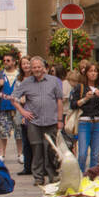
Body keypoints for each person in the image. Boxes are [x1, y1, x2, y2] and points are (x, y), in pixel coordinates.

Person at [16, 57, 65, 186]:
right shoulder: (26, 83)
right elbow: (13, 98)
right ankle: (38, 177)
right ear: (31, 69)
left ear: (44, 68)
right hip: (34, 123)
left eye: (39, 67)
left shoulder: (54, 81)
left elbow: (59, 100)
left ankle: (53, 176)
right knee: (36, 150)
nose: (37, 69)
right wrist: (23, 112)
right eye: (34, 67)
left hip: (51, 121)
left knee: (51, 150)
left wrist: (60, 119)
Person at [71, 63, 99, 170]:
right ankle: (80, 178)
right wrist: (85, 99)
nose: (93, 73)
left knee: (95, 155)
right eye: (90, 71)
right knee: (82, 154)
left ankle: (92, 180)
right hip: (84, 122)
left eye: (95, 71)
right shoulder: (80, 87)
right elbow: (73, 105)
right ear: (85, 73)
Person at [17, 55, 35, 174]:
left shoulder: (36, 79)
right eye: (24, 63)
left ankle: (36, 166)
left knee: (35, 141)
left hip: (34, 112)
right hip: (22, 111)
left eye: (28, 63)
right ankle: (27, 166)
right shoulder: (19, 80)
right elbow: (14, 95)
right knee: (25, 141)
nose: (26, 66)